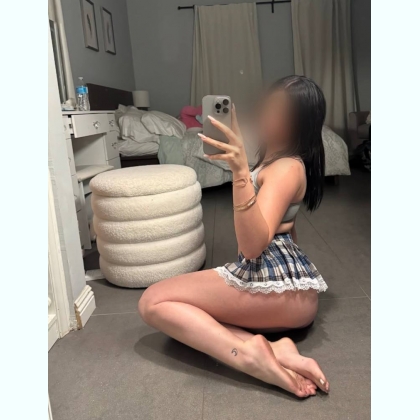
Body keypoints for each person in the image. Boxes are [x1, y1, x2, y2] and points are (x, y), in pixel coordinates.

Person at [139, 76, 330, 398]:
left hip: (281, 294)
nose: (268, 118)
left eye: (282, 114)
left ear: (302, 125)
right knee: (191, 310)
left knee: (153, 302)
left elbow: (253, 247)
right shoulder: (279, 161)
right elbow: (287, 226)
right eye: (269, 108)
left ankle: (246, 357)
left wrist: (240, 173)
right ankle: (275, 349)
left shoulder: (285, 167)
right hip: (288, 292)